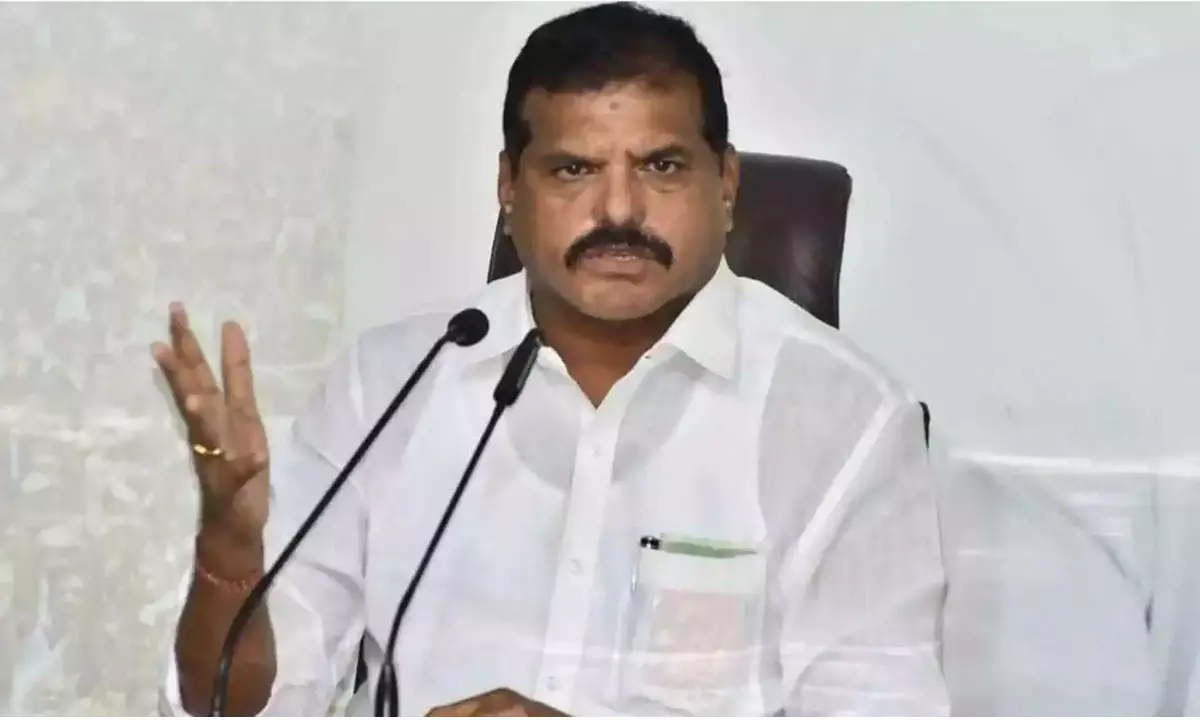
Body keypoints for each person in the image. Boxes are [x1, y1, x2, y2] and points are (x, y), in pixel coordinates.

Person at [154, 2, 950, 716]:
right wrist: (229, 544)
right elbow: (235, 708)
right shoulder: (393, 384)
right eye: (573, 170)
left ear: (726, 182)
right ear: (509, 187)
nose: (619, 209)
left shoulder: (845, 424)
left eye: (662, 166)